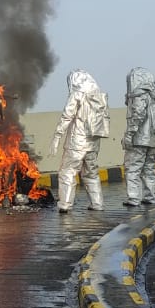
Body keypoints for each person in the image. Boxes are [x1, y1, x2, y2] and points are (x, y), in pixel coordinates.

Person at [49, 69, 111, 213]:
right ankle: (97, 203)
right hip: (93, 143)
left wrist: (57, 137)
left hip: (76, 142)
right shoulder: (99, 97)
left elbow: (67, 116)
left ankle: (65, 204)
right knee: (91, 173)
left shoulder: (76, 95)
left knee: (68, 172)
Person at [122, 67, 155, 208]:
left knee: (133, 167)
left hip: (139, 139)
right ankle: (151, 196)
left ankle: (133, 198)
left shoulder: (139, 96)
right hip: (153, 138)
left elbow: (137, 115)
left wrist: (129, 134)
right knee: (149, 167)